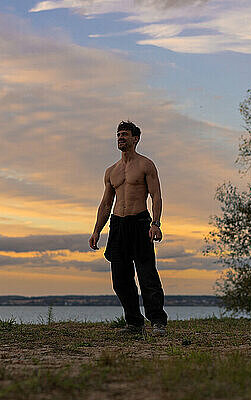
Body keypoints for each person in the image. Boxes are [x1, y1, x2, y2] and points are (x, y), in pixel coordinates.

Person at [89, 120, 168, 336]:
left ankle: (158, 321)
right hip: (118, 225)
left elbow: (156, 196)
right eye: (118, 135)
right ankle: (134, 323)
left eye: (125, 134)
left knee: (147, 275)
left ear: (136, 138)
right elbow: (106, 204)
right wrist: (97, 230)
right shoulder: (111, 171)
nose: (121, 138)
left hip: (140, 222)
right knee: (120, 279)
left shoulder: (146, 165)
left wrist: (155, 223)